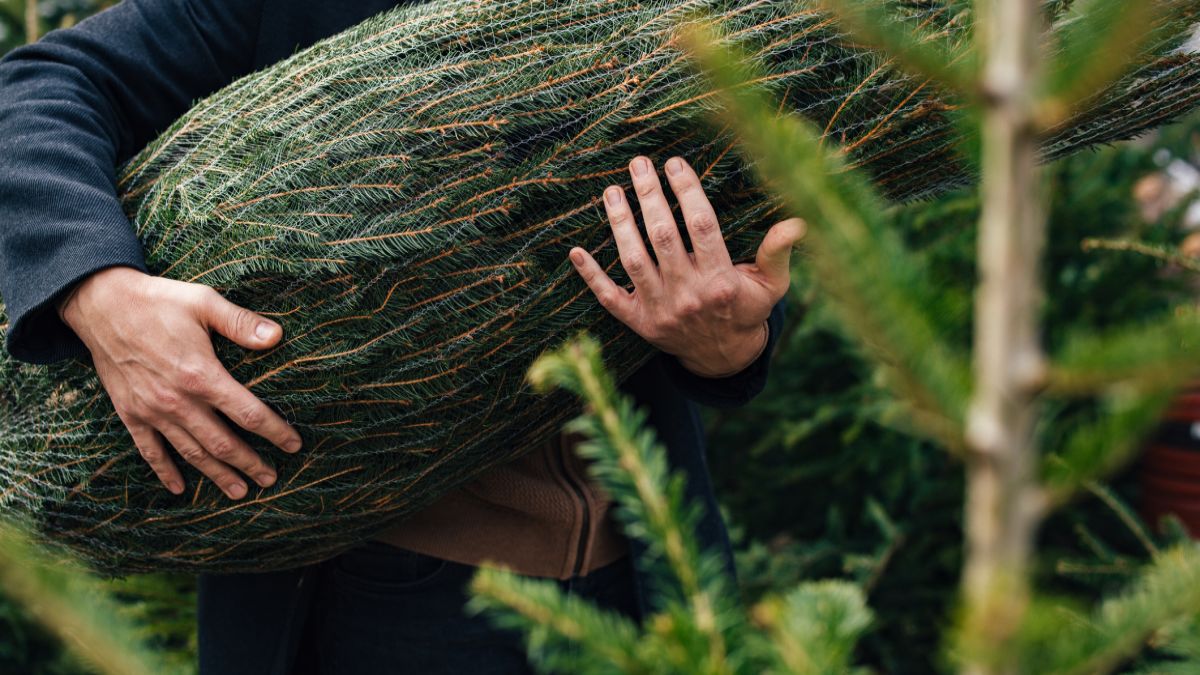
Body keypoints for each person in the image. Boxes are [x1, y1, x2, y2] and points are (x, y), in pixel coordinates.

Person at [0, 1, 801, 673]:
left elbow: (741, 256)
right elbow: (35, 88)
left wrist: (729, 343)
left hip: (649, 577)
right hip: (375, 598)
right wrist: (97, 287)